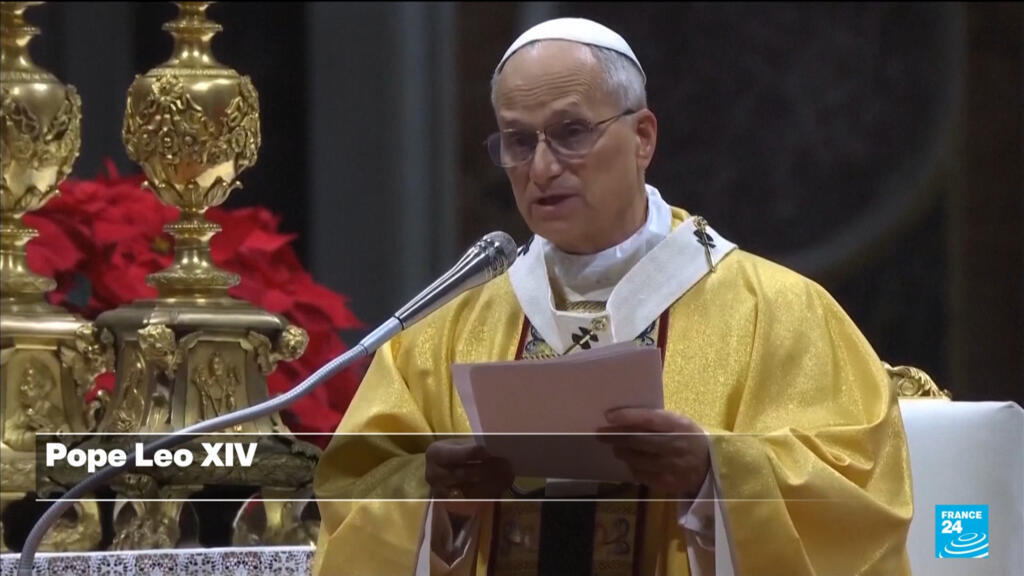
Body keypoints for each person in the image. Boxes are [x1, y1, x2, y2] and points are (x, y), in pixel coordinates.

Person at [313, 17, 912, 576]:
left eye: (571, 133)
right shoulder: (443, 331)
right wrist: (435, 500)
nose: (541, 168)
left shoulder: (779, 313)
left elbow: (861, 500)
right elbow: (351, 498)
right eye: (518, 141)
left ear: (642, 137)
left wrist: (713, 473)